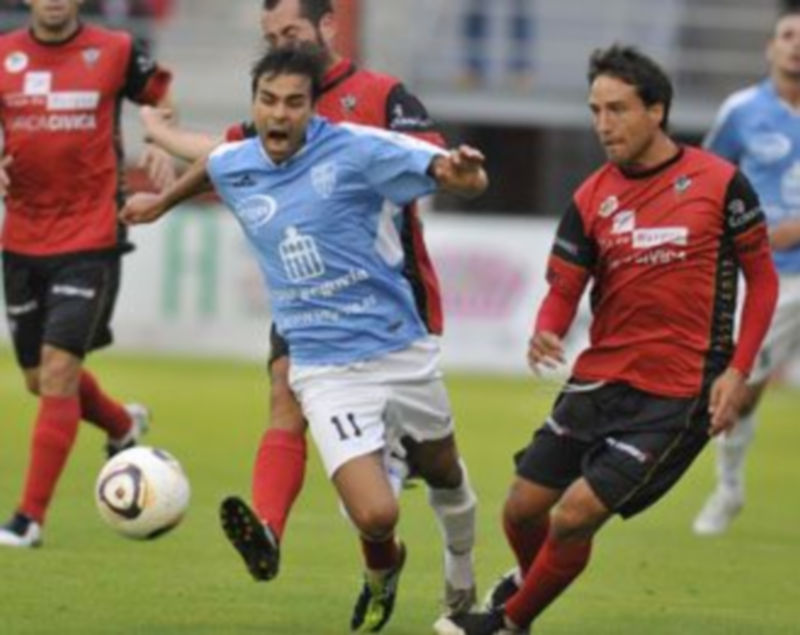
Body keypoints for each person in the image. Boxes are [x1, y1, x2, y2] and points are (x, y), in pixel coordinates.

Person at [120, 44, 487, 632]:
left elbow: (445, 169)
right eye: (268, 101)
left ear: (314, 109)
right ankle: (383, 568)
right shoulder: (237, 162)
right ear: (254, 104)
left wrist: (463, 175)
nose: (279, 114)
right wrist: (159, 204)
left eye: (294, 102)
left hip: (399, 350)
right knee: (374, 513)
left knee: (445, 473)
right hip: (322, 369)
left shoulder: (358, 149)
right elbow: (213, 168)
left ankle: (461, 573)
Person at [434, 44, 778, 635]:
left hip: (678, 394)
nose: (602, 125)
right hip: (600, 379)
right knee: (521, 510)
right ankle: (531, 584)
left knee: (572, 517)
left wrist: (738, 369)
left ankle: (508, 623)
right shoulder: (592, 196)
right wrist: (547, 325)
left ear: (657, 111)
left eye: (617, 109)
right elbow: (566, 286)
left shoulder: (721, 185)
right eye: (595, 110)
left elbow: (764, 281)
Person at [0, 0, 175, 548]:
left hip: (91, 235)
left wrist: (157, 138)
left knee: (56, 371)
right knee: (40, 380)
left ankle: (29, 520)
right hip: (22, 237)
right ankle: (122, 424)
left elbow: (160, 95)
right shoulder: (2, 56)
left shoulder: (116, 50)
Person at [692, 9, 800, 536]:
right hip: (775, 278)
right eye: (788, 36)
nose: (796, 46)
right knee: (744, 388)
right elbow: (710, 180)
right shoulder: (742, 110)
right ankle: (729, 488)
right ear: (769, 47)